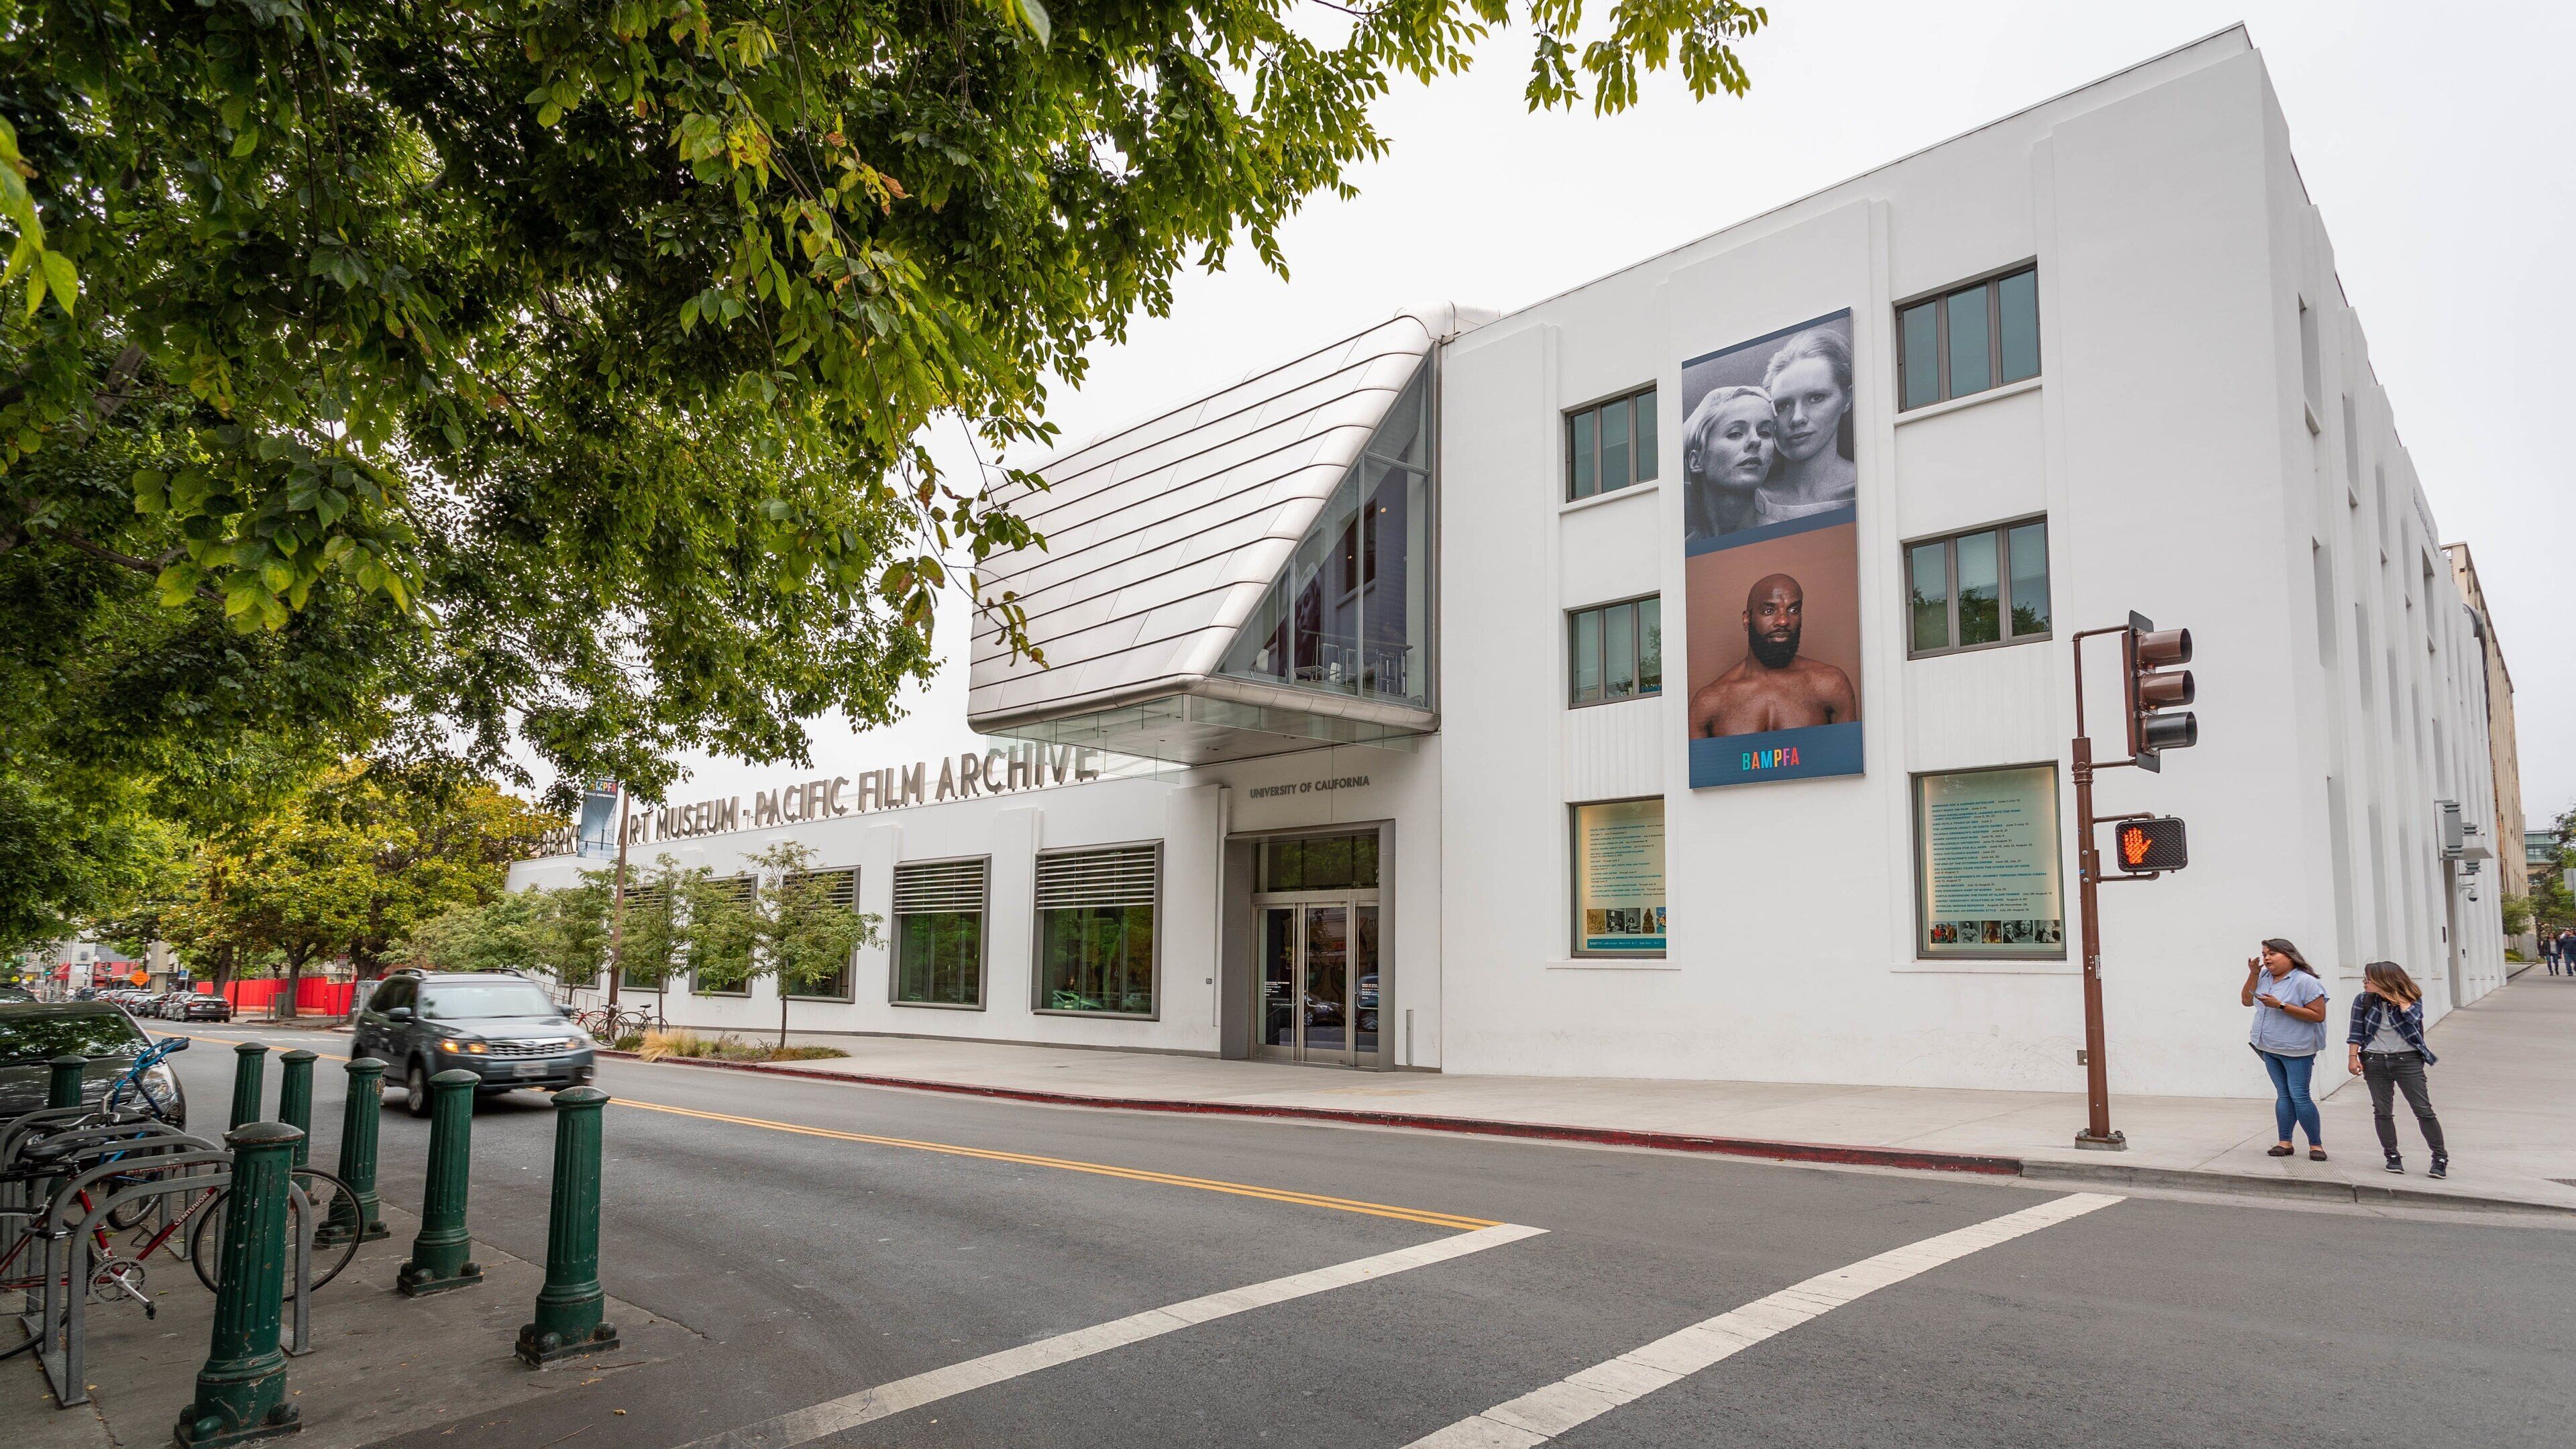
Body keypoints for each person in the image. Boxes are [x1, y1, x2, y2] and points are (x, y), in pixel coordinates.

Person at [1687, 573, 1860, 737]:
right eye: (1769, 611)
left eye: (1793, 610)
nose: (1784, 621)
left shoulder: (1830, 685)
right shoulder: (1710, 702)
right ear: (1747, 620)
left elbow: (1848, 755)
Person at [2346, 961, 2447, 1178]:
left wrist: (2396, 997)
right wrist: (2353, 1058)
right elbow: (2355, 1032)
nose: (2364, 982)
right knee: (2382, 1111)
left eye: (2369, 979)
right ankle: (2392, 1156)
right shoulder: (2363, 1000)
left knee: (2423, 1110)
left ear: (2383, 980)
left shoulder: (2411, 997)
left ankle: (2439, 1158)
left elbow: (2413, 1019)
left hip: (2407, 1061)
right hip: (2374, 1060)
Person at [2241, 938, 2331, 1160]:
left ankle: (2316, 1146)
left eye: (2272, 954)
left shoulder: (2305, 981)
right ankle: (2285, 1143)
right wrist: (2253, 973)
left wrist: (2281, 1005)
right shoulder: (2263, 977)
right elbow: (2246, 1001)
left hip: (2296, 1049)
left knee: (2300, 1096)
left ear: (2290, 956)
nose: (2267, 958)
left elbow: (2318, 1015)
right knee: (2283, 1095)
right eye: (2264, 954)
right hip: (2268, 1046)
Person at [1761, 328, 1860, 515]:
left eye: (1816, 398)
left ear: (1847, 399)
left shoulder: (1871, 487)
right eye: (1783, 406)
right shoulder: (1748, 500)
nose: (1797, 418)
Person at [1680, 385, 1778, 540]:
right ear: (1696, 461)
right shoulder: (1682, 545)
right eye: (1735, 433)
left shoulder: (1787, 534)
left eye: (1765, 433)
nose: (1756, 440)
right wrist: (1711, 399)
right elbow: (1660, 473)